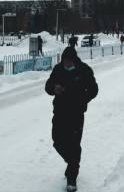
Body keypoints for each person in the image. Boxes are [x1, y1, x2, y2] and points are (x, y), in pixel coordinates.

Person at [45, 47, 98, 192]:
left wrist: (82, 100)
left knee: (74, 145)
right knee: (58, 141)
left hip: (76, 114)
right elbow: (47, 86)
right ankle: (73, 163)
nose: (66, 64)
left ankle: (72, 178)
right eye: (64, 61)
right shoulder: (58, 69)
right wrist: (54, 88)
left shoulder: (84, 70)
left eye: (68, 61)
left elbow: (94, 89)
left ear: (74, 60)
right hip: (60, 112)